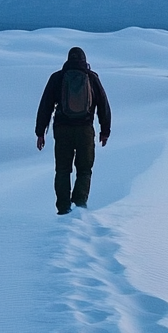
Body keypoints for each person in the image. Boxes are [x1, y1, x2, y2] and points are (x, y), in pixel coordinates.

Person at [36, 46, 111, 214]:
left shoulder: (58, 77)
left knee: (63, 169)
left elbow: (45, 106)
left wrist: (40, 132)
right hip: (85, 129)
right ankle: (79, 204)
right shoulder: (92, 78)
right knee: (84, 169)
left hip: (62, 130)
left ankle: (63, 208)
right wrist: (105, 131)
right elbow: (104, 106)